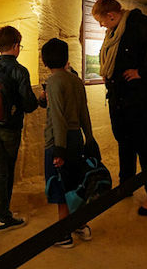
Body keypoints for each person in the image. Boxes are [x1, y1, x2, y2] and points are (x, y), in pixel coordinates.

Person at [92, 0, 147, 216]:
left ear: (112, 15)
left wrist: (141, 71)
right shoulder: (114, 32)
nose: (101, 25)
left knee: (144, 145)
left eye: (101, 20)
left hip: (142, 97)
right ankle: (127, 185)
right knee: (124, 142)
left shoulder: (136, 23)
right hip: (120, 97)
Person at [0, 26, 38, 231]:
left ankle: (1, 213)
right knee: (7, 170)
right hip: (10, 129)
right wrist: (39, 99)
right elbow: (29, 105)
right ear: (16, 46)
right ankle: (3, 217)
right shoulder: (19, 70)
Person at [41, 38, 94, 248]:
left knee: (60, 187)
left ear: (45, 61)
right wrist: (89, 138)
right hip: (76, 138)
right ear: (66, 58)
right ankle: (80, 224)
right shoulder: (75, 80)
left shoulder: (53, 82)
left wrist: (58, 150)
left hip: (59, 141)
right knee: (75, 184)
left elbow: (58, 119)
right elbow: (84, 112)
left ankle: (63, 234)